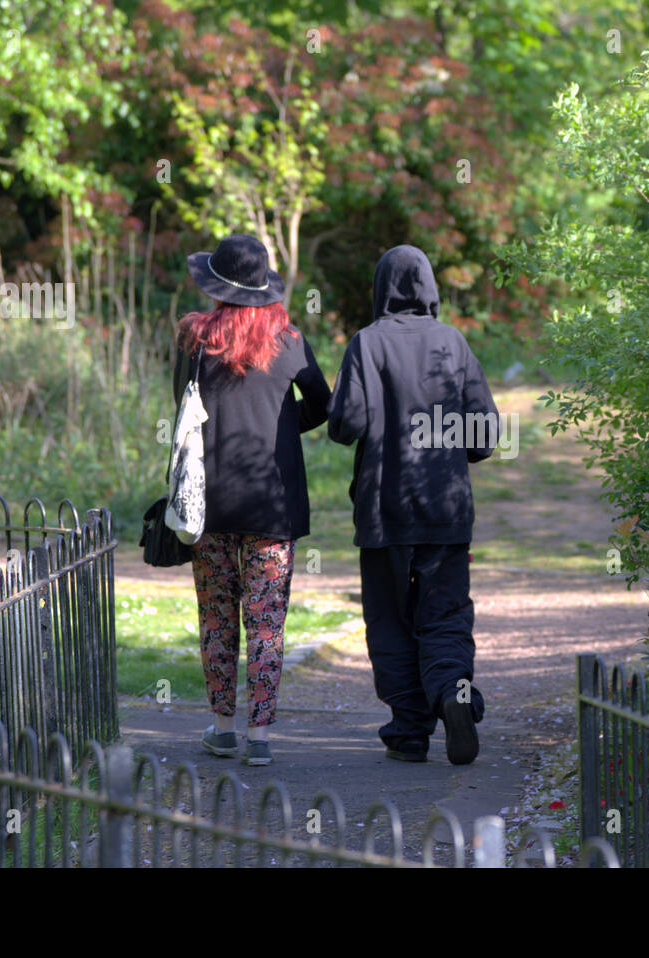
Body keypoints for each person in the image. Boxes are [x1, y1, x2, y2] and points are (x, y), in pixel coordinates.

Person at [327, 244, 498, 765]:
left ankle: (408, 729)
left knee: (389, 618)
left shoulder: (366, 344)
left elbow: (345, 425)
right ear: (429, 288)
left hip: (384, 511)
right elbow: (484, 436)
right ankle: (451, 692)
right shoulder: (453, 343)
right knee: (445, 613)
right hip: (445, 509)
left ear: (382, 288)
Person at [174, 233, 330, 766]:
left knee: (217, 618)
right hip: (272, 503)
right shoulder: (290, 342)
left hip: (211, 505)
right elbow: (325, 406)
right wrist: (285, 425)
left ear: (217, 288)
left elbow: (184, 408)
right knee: (267, 623)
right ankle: (260, 738)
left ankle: (222, 728)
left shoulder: (195, 341)